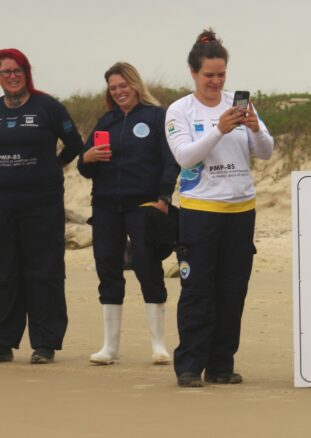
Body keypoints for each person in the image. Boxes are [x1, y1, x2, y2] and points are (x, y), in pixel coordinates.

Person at [165, 30, 274, 387]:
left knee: (232, 289)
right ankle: (189, 366)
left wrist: (255, 128)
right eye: (208, 75)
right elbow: (185, 156)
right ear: (193, 73)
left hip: (241, 210)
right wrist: (219, 130)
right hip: (200, 210)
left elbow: (266, 152)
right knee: (197, 288)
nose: (215, 81)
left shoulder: (239, 104)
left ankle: (221, 364)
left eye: (221, 74)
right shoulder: (180, 110)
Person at [77, 62, 179, 366]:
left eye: (123, 85)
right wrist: (88, 157)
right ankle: (110, 347)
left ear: (135, 85)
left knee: (148, 267)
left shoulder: (156, 116)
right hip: (106, 205)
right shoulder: (105, 121)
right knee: (107, 268)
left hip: (144, 205)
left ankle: (159, 345)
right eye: (113, 87)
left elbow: (170, 160)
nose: (119, 92)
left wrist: (164, 197)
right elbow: (84, 169)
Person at [0, 49, 84, 364]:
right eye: (5, 71)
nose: (11, 76)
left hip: (42, 202)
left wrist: (54, 165)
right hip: (3, 203)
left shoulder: (47, 107)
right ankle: (3, 341)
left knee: (43, 270)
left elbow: (75, 144)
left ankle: (45, 343)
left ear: (26, 72)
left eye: (16, 70)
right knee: (5, 270)